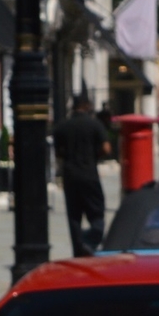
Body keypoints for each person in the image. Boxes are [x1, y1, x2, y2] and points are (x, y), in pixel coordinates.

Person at [52, 92, 117, 257]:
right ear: (87, 106)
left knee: (74, 216)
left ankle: (77, 250)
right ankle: (88, 241)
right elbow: (106, 148)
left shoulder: (62, 126)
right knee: (97, 214)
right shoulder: (94, 125)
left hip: (70, 176)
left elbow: (58, 153)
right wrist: (95, 155)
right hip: (89, 174)